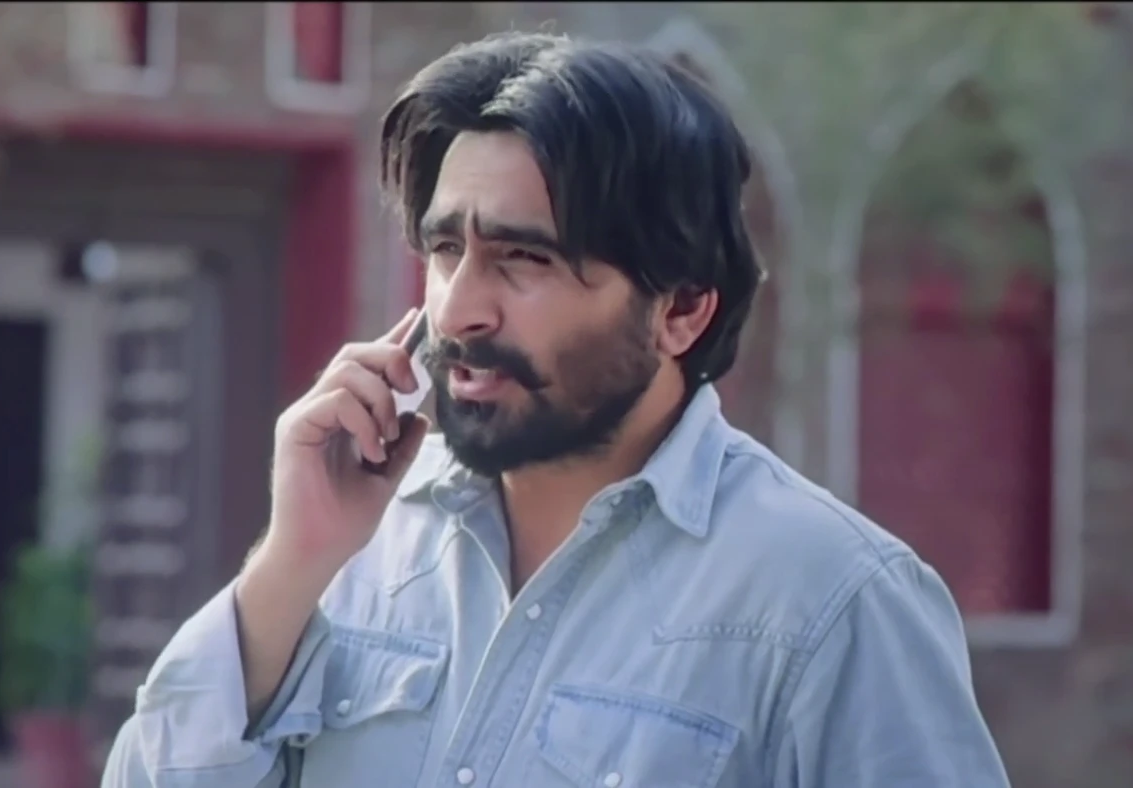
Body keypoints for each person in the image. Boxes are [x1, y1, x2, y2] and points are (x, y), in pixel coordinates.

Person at [101, 30, 1010, 788]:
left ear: (681, 311)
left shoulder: (832, 600)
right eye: (445, 251)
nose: (458, 308)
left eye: (524, 259)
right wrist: (292, 562)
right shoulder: (353, 545)